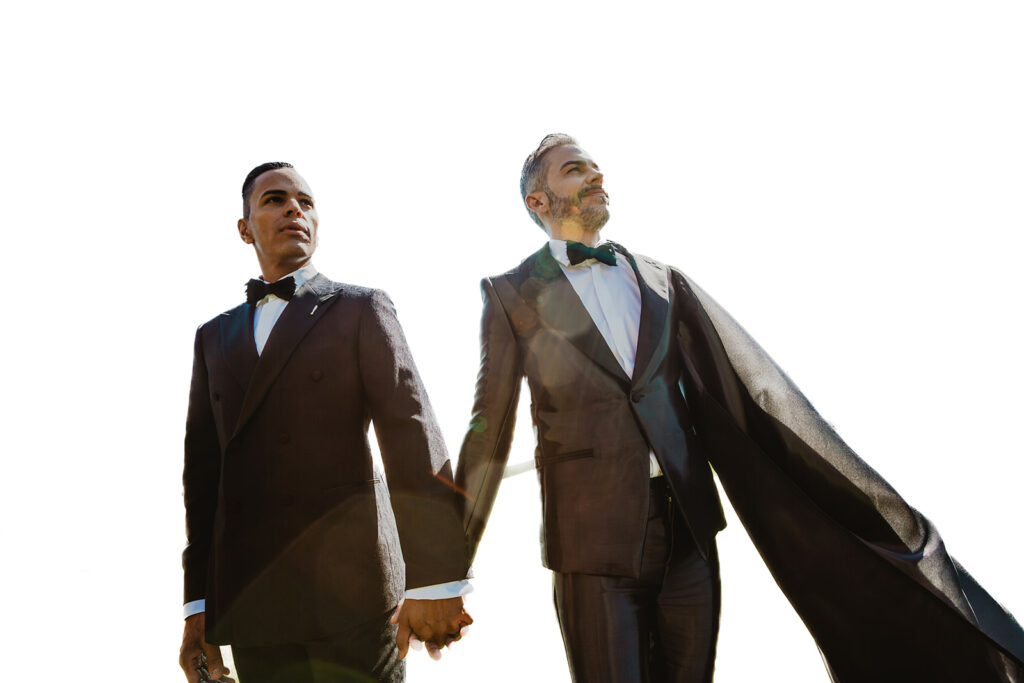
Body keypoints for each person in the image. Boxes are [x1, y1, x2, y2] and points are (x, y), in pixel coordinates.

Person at [454, 134, 1024, 682]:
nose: (595, 174)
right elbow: (488, 432)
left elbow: (743, 387)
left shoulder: (662, 280)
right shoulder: (510, 293)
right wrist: (443, 574)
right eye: (574, 169)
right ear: (539, 201)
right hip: (592, 548)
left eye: (595, 165)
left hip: (692, 539)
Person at [178, 162, 472, 683]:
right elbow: (203, 481)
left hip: (356, 598)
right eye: (274, 199)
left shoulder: (360, 308)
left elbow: (411, 433)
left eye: (305, 201)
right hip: (254, 606)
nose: (294, 208)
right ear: (244, 228)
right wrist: (197, 606)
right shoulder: (212, 336)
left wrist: (434, 581)